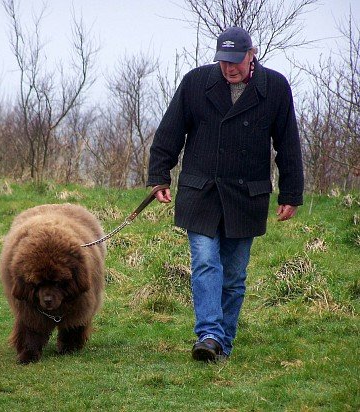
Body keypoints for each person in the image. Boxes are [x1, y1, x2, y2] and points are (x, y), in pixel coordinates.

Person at [147, 27, 304, 362]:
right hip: (200, 191)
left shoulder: (274, 88)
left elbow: (288, 142)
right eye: (223, 61)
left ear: (252, 54)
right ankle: (208, 334)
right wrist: (159, 175)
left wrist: (290, 192)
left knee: (233, 276)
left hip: (246, 196)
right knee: (205, 261)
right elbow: (170, 131)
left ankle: (222, 345)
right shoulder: (195, 82)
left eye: (236, 61)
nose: (229, 68)